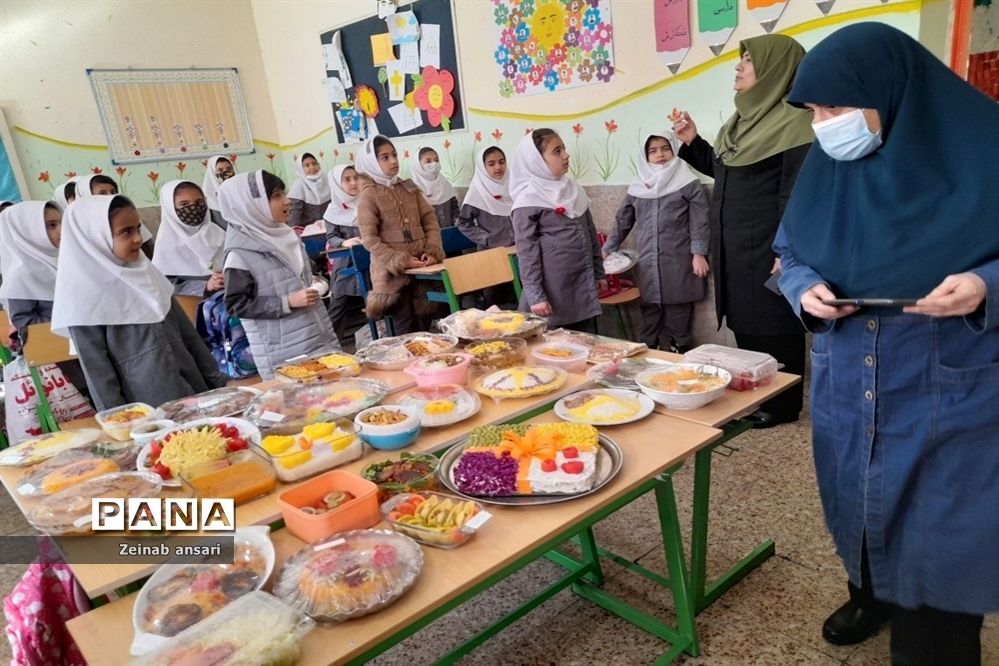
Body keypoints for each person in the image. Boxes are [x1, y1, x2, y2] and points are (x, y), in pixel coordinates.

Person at [774, 23, 999, 664]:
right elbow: (789, 251)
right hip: (851, 376)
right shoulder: (830, 168)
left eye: (839, 107)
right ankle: (869, 595)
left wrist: (985, 284)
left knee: (940, 562)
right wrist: (804, 286)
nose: (825, 125)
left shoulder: (985, 147)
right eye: (815, 110)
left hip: (948, 382)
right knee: (865, 514)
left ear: (890, 92)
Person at [672, 33, 813, 427]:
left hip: (769, 248)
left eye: (748, 60)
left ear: (774, 70)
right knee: (745, 320)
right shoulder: (742, 124)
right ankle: (761, 392)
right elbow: (726, 171)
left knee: (773, 322)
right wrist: (693, 142)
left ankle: (783, 405)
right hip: (735, 246)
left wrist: (790, 252)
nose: (739, 66)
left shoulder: (797, 124)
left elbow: (797, 195)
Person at [50, 195, 227, 410]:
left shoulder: (148, 274)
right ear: (95, 238)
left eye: (138, 229)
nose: (138, 239)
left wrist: (219, 383)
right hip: (146, 410)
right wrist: (121, 420)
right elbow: (98, 375)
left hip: (195, 391)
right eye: (126, 232)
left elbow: (190, 337)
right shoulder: (83, 298)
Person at [220, 170, 339, 379]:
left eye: (283, 194)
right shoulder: (239, 254)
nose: (287, 202)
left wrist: (315, 282)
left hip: (316, 333)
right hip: (282, 352)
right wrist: (287, 302)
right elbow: (236, 304)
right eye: (276, 196)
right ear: (252, 204)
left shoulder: (287, 236)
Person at [604, 132, 710, 351]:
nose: (660, 155)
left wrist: (699, 254)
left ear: (674, 149)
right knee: (650, 310)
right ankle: (647, 358)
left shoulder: (688, 183)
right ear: (644, 156)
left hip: (679, 259)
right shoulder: (639, 186)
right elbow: (623, 219)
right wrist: (609, 248)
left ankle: (677, 354)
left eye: (665, 148)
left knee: (678, 309)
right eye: (652, 151)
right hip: (648, 261)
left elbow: (700, 221)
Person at [510, 128, 606, 332]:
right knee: (556, 350)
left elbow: (590, 234)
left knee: (586, 342)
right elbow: (527, 253)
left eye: (564, 149)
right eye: (556, 151)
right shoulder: (528, 199)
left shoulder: (573, 189)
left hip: (581, 284)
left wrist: (598, 273)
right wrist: (536, 296)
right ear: (536, 160)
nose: (565, 155)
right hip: (550, 293)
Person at [354, 135, 445, 335]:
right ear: (372, 162)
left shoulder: (409, 188)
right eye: (384, 157)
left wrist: (432, 251)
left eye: (394, 155)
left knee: (425, 321)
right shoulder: (369, 195)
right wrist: (400, 260)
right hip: (391, 275)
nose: (393, 161)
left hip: (422, 270)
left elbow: (430, 221)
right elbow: (370, 239)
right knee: (405, 327)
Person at [0, 201, 62, 341]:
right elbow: (24, 321)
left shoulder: (65, 259)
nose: (61, 230)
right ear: (29, 231)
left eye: (61, 223)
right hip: (55, 346)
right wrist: (68, 323)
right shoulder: (21, 274)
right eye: (51, 225)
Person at [152, 180, 225, 296]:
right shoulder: (166, 246)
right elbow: (164, 286)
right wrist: (205, 286)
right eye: (184, 205)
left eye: (199, 202)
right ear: (170, 209)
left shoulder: (220, 233)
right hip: (191, 307)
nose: (194, 208)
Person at [323, 164, 363, 344]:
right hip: (344, 262)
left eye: (356, 177)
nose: (354, 182)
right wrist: (344, 242)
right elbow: (331, 237)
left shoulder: (367, 202)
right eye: (347, 179)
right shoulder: (332, 210)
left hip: (369, 260)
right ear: (337, 184)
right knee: (338, 303)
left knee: (376, 300)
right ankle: (330, 345)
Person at [457, 146, 514, 250]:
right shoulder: (477, 192)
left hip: (519, 246)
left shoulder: (514, 185)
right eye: (491, 164)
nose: (498, 167)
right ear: (482, 167)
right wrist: (486, 238)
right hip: (491, 251)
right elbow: (463, 223)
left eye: (501, 162)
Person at [410, 147, 458, 229]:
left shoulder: (445, 183)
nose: (434, 164)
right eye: (428, 161)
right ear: (418, 165)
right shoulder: (413, 191)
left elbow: (454, 207)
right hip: (428, 237)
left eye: (436, 160)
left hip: (449, 233)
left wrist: (456, 220)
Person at [287, 152, 330, 236]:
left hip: (328, 229)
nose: (312, 167)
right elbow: (294, 216)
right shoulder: (298, 186)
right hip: (307, 232)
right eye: (307, 165)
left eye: (314, 163)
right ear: (300, 168)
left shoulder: (327, 179)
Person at [202, 155, 236, 229]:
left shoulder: (241, 190)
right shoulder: (207, 199)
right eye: (220, 170)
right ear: (213, 173)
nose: (225, 172)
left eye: (229, 168)